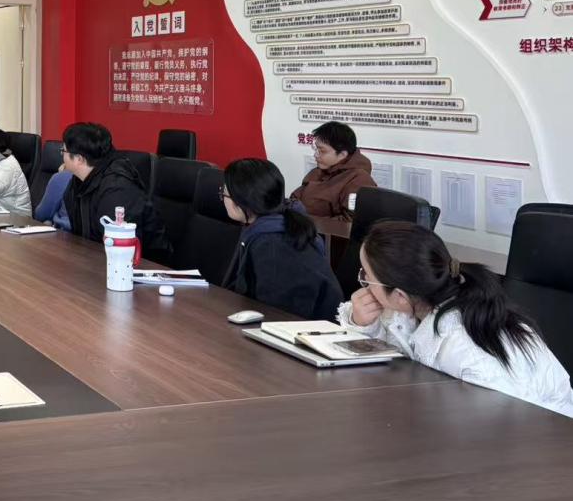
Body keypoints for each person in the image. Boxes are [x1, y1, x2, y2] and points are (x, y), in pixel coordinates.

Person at [340, 220, 572, 417]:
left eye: (366, 276)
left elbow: (505, 424)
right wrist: (364, 324)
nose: (364, 283)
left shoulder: (466, 349)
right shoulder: (426, 302)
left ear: (400, 295)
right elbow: (397, 343)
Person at [221, 158, 342, 320]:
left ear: (242, 200)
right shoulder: (271, 225)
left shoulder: (273, 244)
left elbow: (279, 315)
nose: (222, 199)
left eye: (224, 194)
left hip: (305, 329)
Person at [59, 122, 157, 249]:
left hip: (139, 259)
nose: (61, 155)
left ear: (79, 159)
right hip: (92, 254)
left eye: (63, 151)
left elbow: (120, 246)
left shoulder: (117, 189)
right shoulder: (79, 181)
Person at [290, 121, 376, 227]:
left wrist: (306, 223)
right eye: (316, 149)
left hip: (320, 233)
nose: (316, 155)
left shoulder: (359, 180)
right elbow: (296, 197)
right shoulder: (321, 170)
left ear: (342, 154)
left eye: (322, 151)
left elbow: (349, 222)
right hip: (299, 227)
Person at [34, 166, 73, 231]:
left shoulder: (62, 177)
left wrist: (61, 175)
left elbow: (41, 215)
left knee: (47, 222)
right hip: (86, 236)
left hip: (64, 234)